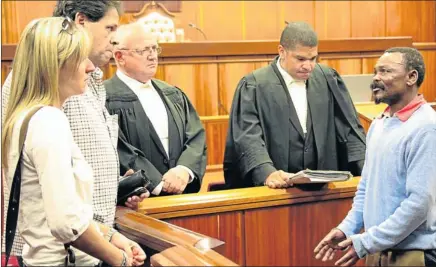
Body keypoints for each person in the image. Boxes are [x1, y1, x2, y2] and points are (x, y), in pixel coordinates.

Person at [1, 0, 148, 263]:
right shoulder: (46, 116)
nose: (115, 40)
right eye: (110, 28)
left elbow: (66, 185)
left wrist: (110, 229)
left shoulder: (81, 87)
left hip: (85, 242)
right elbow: (65, 220)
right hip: (63, 254)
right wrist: (118, 259)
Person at [314, 47, 436, 266]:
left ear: (412, 77)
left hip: (412, 255)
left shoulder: (427, 127)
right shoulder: (379, 124)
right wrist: (346, 228)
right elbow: (366, 189)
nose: (376, 78)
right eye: (375, 72)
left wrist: (368, 241)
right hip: (377, 251)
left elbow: (418, 203)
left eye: (385, 71)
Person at [223, 21, 366, 189]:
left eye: (313, 58)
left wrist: (364, 167)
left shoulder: (328, 78)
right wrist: (266, 172)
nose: (308, 66)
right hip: (276, 190)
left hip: (324, 189)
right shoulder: (254, 85)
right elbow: (248, 137)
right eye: (300, 59)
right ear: (282, 51)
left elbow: (349, 129)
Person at [105, 23, 207, 195]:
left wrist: (183, 170)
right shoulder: (105, 97)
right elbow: (117, 147)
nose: (152, 56)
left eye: (154, 48)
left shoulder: (172, 93)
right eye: (142, 50)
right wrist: (157, 183)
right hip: (138, 200)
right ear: (120, 56)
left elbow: (196, 136)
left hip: (182, 196)